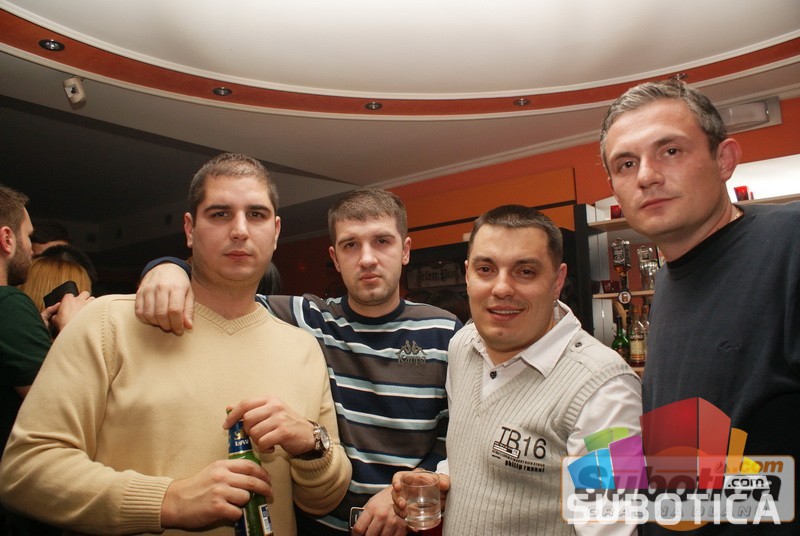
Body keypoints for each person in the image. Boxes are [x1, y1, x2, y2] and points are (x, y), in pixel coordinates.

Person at [0, 154, 351, 535]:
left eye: (256, 214)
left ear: (276, 230)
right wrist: (167, 500)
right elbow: (24, 471)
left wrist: (311, 446)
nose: (239, 230)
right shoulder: (108, 322)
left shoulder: (302, 348)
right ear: (189, 229)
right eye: (220, 214)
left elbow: (322, 500)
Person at [135, 188, 462, 535]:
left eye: (382, 241)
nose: (367, 258)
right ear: (335, 258)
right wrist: (167, 268)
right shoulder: (307, 318)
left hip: (407, 525)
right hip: (317, 525)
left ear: (405, 250)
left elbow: (458, 436)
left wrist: (408, 491)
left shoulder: (444, 330)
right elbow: (222, 292)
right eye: (351, 245)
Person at [599, 79, 800, 534]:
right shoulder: (669, 282)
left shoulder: (790, 244)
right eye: (626, 163)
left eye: (670, 151)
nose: (646, 176)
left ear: (724, 159)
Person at [391, 205, 642, 535]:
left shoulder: (607, 390)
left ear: (557, 281)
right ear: (468, 275)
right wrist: (442, 480)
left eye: (525, 272)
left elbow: (612, 529)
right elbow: (472, 451)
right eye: (486, 269)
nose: (501, 288)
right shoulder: (462, 345)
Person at [0, 184, 91, 536]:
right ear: (7, 239)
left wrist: (32, 331)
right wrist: (72, 332)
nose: (30, 248)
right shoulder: (9, 304)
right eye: (27, 236)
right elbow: (64, 411)